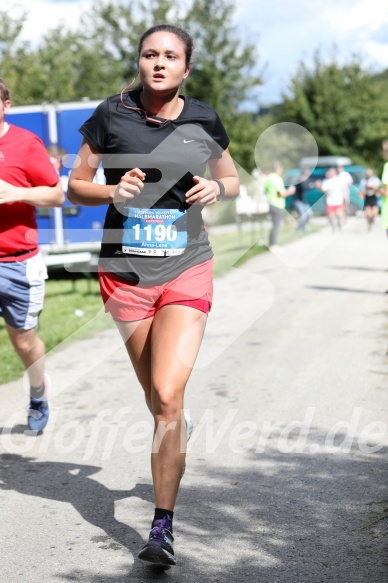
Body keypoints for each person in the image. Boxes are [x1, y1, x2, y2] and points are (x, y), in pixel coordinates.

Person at [67, 24, 239, 567]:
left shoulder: (203, 117)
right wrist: (111, 191)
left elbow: (230, 179)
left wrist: (217, 187)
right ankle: (175, 425)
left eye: (171, 56)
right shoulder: (109, 114)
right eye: (150, 54)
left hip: (187, 266)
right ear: (138, 62)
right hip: (124, 273)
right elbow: (75, 184)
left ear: (186, 69)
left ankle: (161, 528)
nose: (159, 63)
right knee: (159, 400)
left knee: (166, 394)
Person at [0, 78, 65, 433]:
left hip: (17, 262)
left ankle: (38, 392)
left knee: (23, 342)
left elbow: (56, 196)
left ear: (6, 105)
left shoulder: (25, 143)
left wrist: (15, 194)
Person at [264, 161, 295, 251]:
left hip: (270, 203)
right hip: (277, 204)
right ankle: (273, 245)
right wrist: (290, 191)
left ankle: (271, 244)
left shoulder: (268, 178)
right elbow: (280, 194)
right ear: (278, 168)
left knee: (274, 225)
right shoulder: (277, 178)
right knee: (276, 225)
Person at [315, 167, 346, 232]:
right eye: (330, 172)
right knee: (331, 216)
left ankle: (339, 222)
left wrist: (345, 195)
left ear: (334, 173)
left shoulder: (339, 180)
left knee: (339, 214)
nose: (330, 173)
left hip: (338, 200)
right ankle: (333, 226)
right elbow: (323, 190)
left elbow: (344, 188)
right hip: (330, 201)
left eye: (332, 172)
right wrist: (319, 186)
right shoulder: (326, 181)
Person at [292, 167, 313, 232]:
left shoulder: (304, 181)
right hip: (298, 201)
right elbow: (303, 187)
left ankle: (304, 226)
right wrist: (309, 186)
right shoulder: (300, 181)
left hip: (304, 202)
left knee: (309, 214)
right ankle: (299, 230)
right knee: (303, 216)